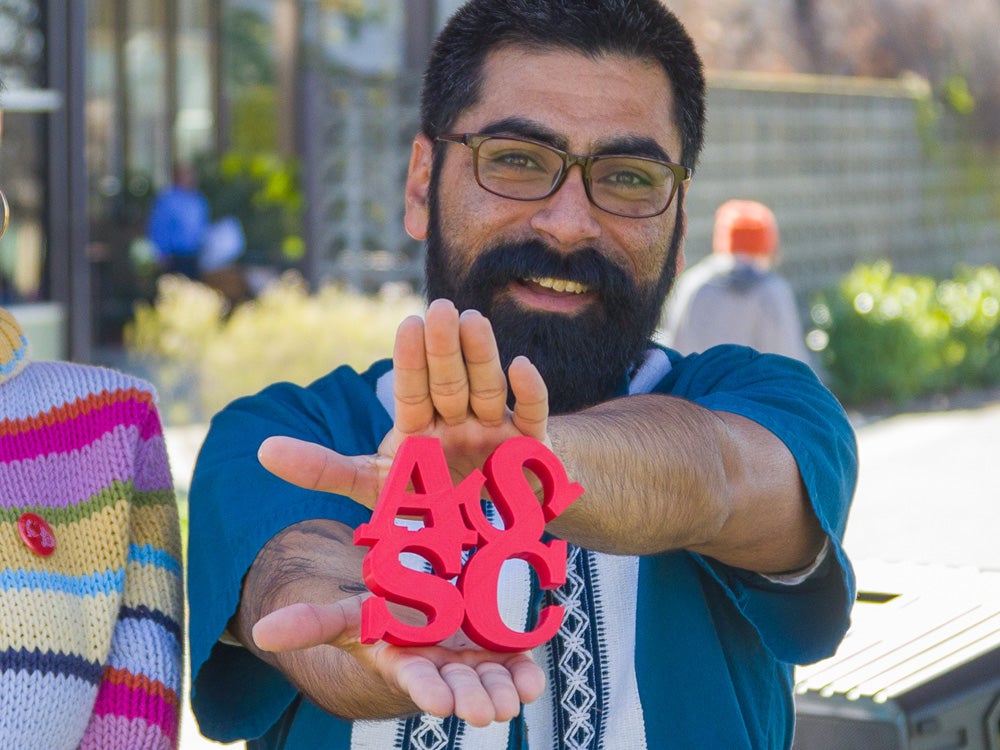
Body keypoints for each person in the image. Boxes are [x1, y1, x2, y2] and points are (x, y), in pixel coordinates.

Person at [187, 2, 857, 748]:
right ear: (420, 184)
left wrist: (518, 465)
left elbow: (719, 478)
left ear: (678, 226)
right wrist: (376, 632)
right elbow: (295, 577)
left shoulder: (772, 403)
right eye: (515, 160)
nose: (568, 223)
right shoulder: (283, 434)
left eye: (630, 176)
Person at [659, 199, 811, 361]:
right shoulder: (771, 291)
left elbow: (674, 346)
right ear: (767, 245)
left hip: (694, 385)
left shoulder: (693, 283)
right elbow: (789, 359)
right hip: (753, 386)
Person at [147, 162, 211, 279]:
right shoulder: (167, 199)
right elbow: (159, 227)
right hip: (174, 256)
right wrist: (160, 253)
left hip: (194, 254)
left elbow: (203, 225)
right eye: (184, 174)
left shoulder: (198, 199)